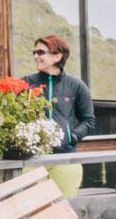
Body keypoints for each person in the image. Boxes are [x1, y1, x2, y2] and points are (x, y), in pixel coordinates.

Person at [25, 33, 95, 196]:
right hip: (31, 159)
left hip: (66, 158)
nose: (36, 56)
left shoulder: (76, 86)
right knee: (31, 209)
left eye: (41, 52)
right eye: (34, 52)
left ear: (57, 56)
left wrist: (72, 137)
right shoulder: (26, 83)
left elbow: (88, 121)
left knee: (66, 209)